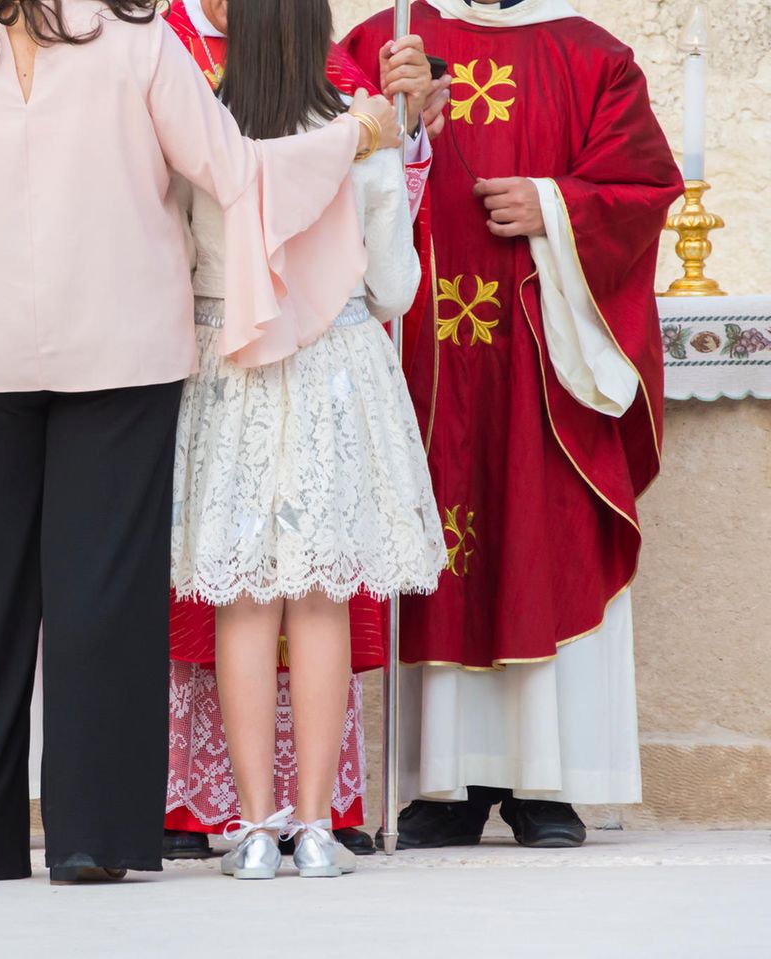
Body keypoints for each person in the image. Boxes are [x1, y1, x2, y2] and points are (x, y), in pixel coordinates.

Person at [0, 0, 398, 883]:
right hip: (122, 350)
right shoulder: (143, 45)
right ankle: (93, 838)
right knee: (102, 595)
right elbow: (237, 174)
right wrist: (355, 133)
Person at [341, 0, 683, 848]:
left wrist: (555, 205)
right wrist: (406, 124)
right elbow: (319, 165)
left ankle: (544, 780)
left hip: (540, 357)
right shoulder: (389, 38)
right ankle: (441, 785)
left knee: (537, 527)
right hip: (423, 348)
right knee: (440, 539)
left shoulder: (593, 54)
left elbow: (642, 188)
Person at [160, 0, 443, 863]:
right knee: (320, 599)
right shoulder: (361, 134)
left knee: (244, 601)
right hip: (335, 371)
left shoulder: (201, 136)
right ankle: (315, 826)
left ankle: (250, 829)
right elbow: (394, 286)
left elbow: (172, 262)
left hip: (230, 364)